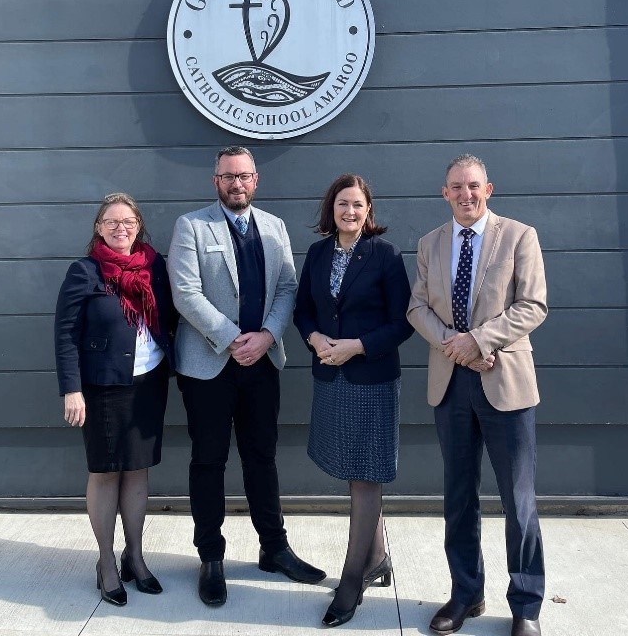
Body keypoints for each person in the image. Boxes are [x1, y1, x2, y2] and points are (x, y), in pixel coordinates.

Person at [167, 145, 325, 607]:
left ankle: (273, 548)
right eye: (227, 176)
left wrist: (268, 335)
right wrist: (236, 337)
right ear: (215, 181)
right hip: (209, 364)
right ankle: (211, 557)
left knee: (262, 457)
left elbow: (288, 287)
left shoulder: (274, 227)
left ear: (256, 180)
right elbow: (185, 292)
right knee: (208, 460)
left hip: (261, 362)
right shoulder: (192, 225)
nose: (237, 183)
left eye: (244, 176)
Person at [407, 154, 547, 636]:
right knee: (460, 496)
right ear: (444, 192)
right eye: (456, 187)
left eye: (473, 186)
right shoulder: (430, 243)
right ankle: (467, 593)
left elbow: (533, 305)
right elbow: (417, 307)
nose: (465, 194)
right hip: (451, 384)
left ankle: (526, 605)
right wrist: (456, 345)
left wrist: (480, 341)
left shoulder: (519, 236)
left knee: (518, 499)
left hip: (505, 383)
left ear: (489, 189)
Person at [294, 173, 413, 628]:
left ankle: (350, 581)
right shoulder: (319, 253)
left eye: (358, 205)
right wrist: (315, 336)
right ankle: (378, 557)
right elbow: (304, 308)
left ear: (369, 211)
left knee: (365, 476)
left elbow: (402, 322)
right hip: (330, 375)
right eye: (343, 204)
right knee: (351, 469)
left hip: (372, 379)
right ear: (332, 208)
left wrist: (357, 345)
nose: (350, 212)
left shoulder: (384, 255)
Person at [55, 192, 176, 606]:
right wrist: (72, 389)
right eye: (111, 222)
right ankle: (106, 562)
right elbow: (66, 334)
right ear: (99, 229)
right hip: (103, 387)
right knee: (106, 472)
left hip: (149, 382)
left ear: (139, 225)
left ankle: (135, 557)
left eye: (128, 221)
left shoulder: (154, 265)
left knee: (138, 470)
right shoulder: (84, 271)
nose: (120, 228)